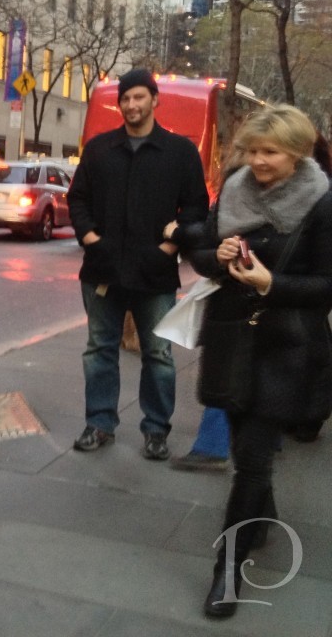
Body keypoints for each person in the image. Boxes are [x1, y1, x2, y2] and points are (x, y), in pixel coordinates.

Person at [176, 103, 332, 618]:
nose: (258, 162)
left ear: (297, 153)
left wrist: (273, 284)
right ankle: (261, 515)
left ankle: (228, 568)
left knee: (253, 458)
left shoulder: (322, 203)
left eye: (271, 152)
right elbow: (202, 253)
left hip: (286, 345)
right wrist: (214, 256)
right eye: (253, 151)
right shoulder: (236, 188)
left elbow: (326, 286)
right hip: (230, 338)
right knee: (247, 449)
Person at [68, 68, 210, 460]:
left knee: (159, 354)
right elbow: (77, 198)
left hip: (155, 274)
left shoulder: (179, 152)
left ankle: (156, 429)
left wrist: (170, 246)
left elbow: (197, 207)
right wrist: (90, 238)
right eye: (125, 98)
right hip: (102, 271)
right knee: (100, 350)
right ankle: (99, 423)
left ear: (154, 99)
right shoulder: (99, 149)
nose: (131, 105)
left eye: (139, 97)